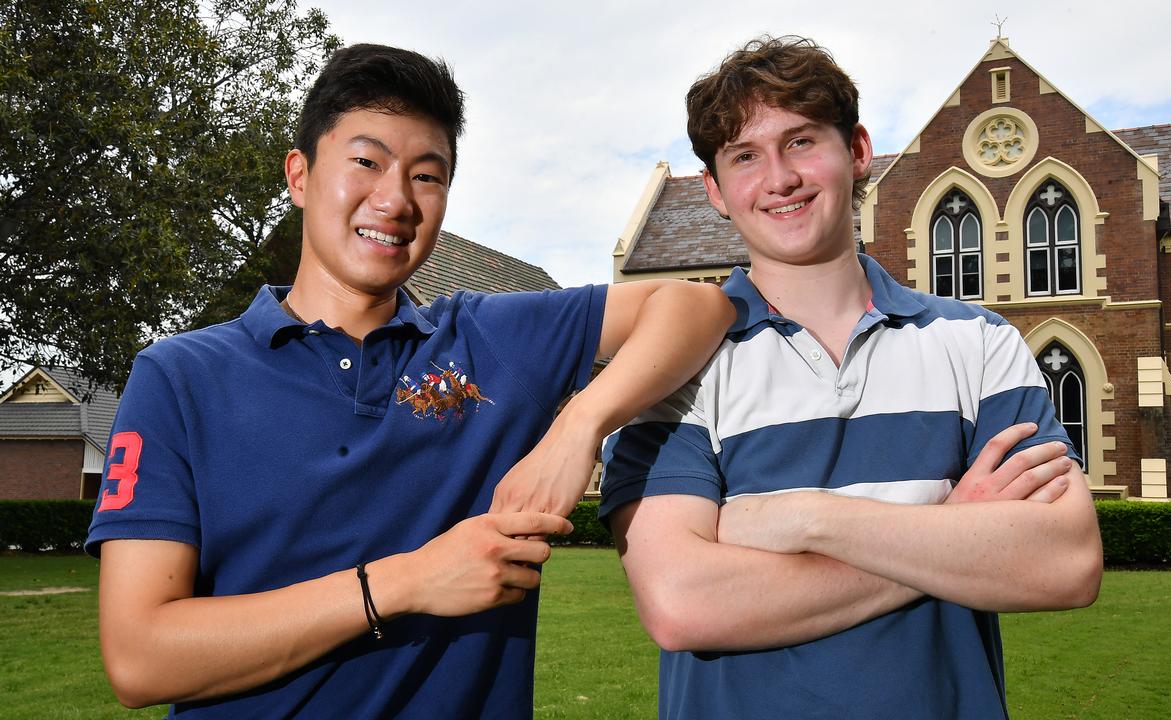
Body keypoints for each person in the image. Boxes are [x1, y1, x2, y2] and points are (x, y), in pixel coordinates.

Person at [87, 43, 733, 718]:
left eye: (428, 176)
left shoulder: (489, 341)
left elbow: (696, 305)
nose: (395, 200)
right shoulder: (179, 379)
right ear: (300, 175)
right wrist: (407, 581)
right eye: (366, 162)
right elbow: (140, 658)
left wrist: (576, 428)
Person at [599, 36, 1102, 719]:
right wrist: (949, 530)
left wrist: (798, 518)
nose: (779, 179)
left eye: (802, 141)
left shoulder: (978, 344)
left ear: (857, 151)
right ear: (715, 191)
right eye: (746, 156)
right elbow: (682, 603)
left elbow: (1064, 563)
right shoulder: (673, 366)